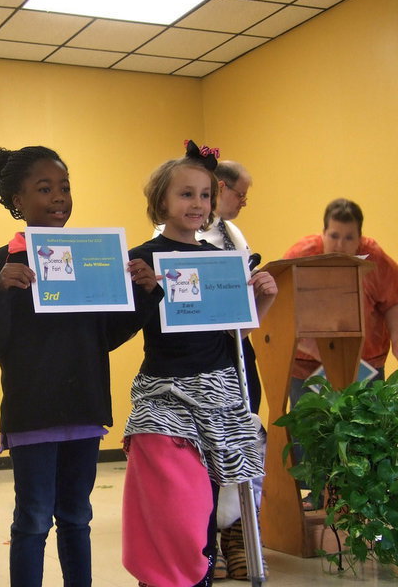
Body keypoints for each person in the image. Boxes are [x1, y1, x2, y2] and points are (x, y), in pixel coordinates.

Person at [0, 145, 162, 587]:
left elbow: (106, 336)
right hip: (33, 413)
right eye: (44, 189)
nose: (59, 197)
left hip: (84, 408)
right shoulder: (4, 261)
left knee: (77, 516)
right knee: (34, 519)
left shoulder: (88, 257)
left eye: (64, 187)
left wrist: (144, 293)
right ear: (17, 201)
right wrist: (1, 290)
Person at [122, 141, 277, 587]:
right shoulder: (143, 257)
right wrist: (147, 291)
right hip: (164, 394)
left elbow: (234, 331)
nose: (197, 204)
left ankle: (199, 575)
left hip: (221, 393)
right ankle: (162, 577)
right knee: (176, 511)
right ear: (162, 201)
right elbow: (122, 328)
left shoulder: (221, 261)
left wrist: (262, 301)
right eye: (185, 194)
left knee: (211, 509)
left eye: (205, 195)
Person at [284, 198, 398, 508]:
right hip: (308, 363)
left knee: (364, 431)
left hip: (364, 362)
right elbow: (284, 304)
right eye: (334, 235)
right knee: (309, 430)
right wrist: (306, 343)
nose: (340, 244)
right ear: (323, 232)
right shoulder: (302, 255)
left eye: (349, 237)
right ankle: (313, 497)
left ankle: (362, 500)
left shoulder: (375, 259)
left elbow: (392, 303)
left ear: (360, 236)